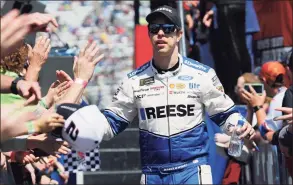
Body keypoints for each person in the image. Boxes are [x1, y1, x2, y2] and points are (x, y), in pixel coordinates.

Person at [57, 5, 256, 184]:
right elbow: (111, 123)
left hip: (192, 170)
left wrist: (239, 126)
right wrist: (82, 126)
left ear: (179, 34)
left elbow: (224, 113)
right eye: (154, 29)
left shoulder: (202, 74)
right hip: (153, 174)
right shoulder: (134, 80)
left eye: (167, 29)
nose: (160, 33)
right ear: (149, 35)